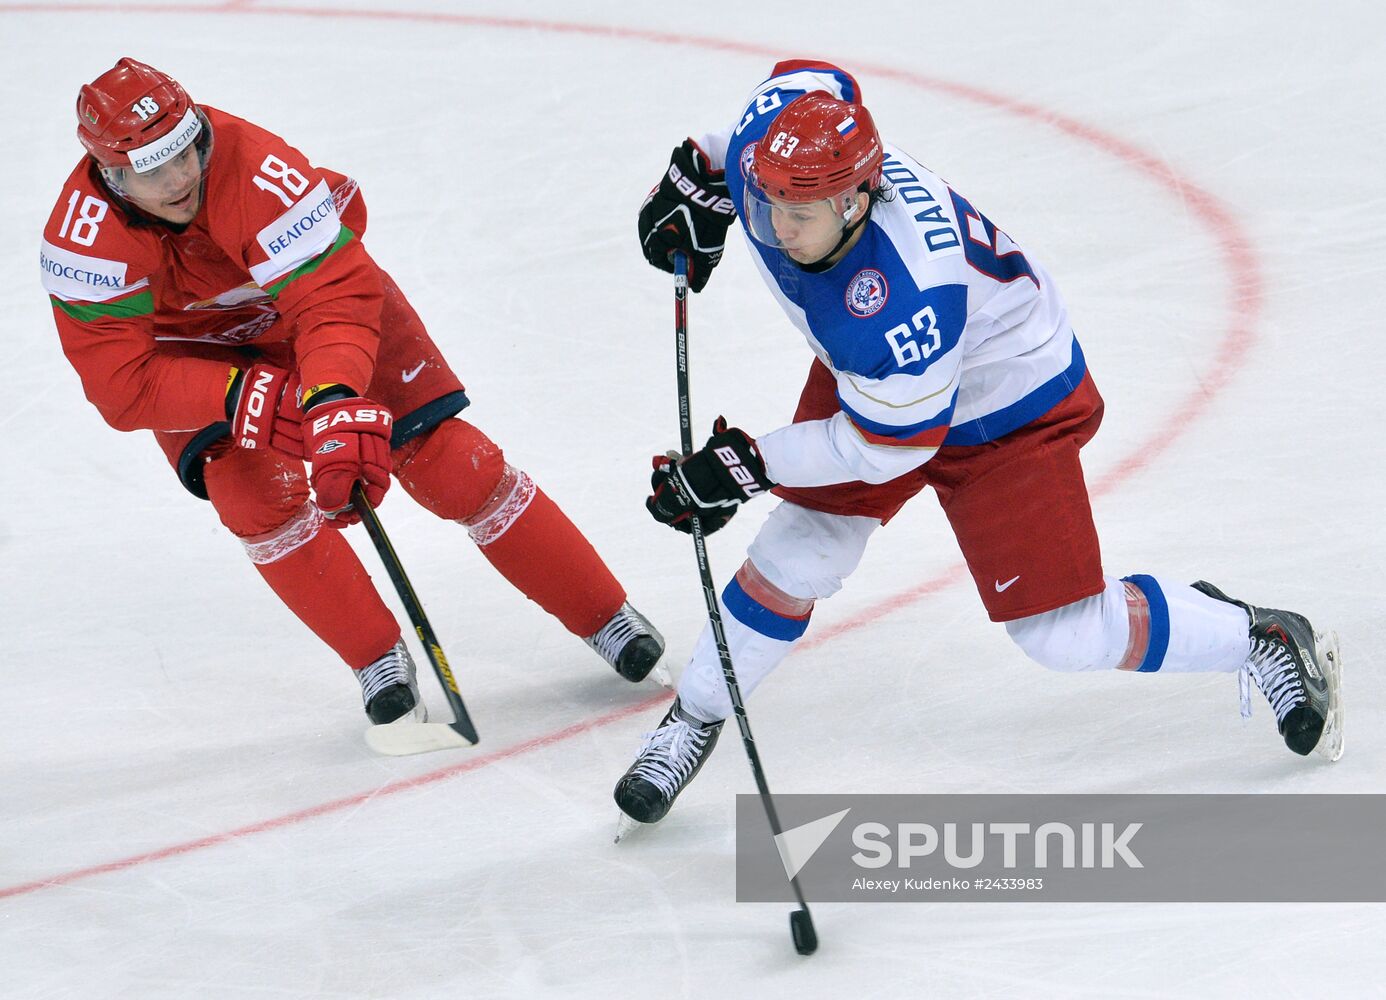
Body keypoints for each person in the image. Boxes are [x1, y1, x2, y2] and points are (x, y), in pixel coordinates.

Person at [613, 60, 1343, 827]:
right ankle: (694, 715)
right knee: (804, 548)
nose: (774, 228)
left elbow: (881, 449)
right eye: (763, 203)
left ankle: (1257, 636)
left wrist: (744, 465)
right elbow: (815, 80)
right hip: (881, 385)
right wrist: (699, 170)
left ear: (856, 201)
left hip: (1004, 406)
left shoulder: (902, 305)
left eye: (796, 216)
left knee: (1062, 634)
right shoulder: (784, 157)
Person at [41, 58, 665, 728]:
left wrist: (332, 396)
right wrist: (241, 395)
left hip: (315, 318)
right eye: (151, 170)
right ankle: (375, 657)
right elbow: (121, 384)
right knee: (250, 493)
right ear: (109, 173)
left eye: (185, 151)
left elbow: (331, 297)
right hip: (200, 356)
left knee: (451, 463)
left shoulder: (257, 166)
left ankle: (605, 614)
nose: (179, 178)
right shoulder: (82, 243)